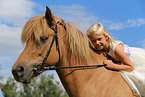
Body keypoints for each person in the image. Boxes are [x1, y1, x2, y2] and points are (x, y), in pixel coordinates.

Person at [87, 23, 145, 96]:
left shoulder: (116, 49)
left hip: (133, 63)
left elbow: (130, 67)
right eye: (93, 41)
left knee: (141, 80)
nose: (97, 43)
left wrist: (113, 66)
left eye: (99, 39)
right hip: (121, 62)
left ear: (106, 37)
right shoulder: (101, 48)